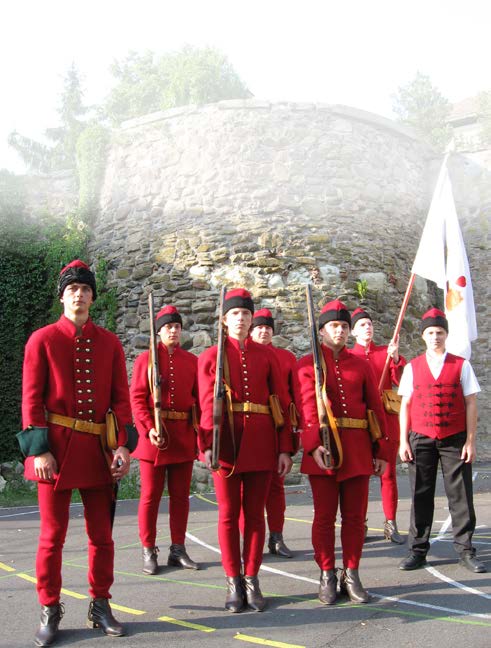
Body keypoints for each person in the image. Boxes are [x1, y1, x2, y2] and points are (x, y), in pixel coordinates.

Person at [17, 260, 134, 647]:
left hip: (99, 452)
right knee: (52, 537)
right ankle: (50, 608)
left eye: (85, 289)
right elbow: (31, 400)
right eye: (73, 289)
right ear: (63, 296)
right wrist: (40, 451)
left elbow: (121, 399)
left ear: (92, 297)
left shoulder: (110, 342)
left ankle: (101, 605)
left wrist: (123, 446)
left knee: (102, 538)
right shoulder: (42, 339)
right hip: (57, 453)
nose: (79, 295)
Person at [198, 289, 293, 613]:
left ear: (252, 319)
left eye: (246, 314)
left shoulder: (267, 356)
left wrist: (284, 448)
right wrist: (207, 444)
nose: (241, 318)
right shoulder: (211, 356)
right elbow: (206, 404)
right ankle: (232, 580)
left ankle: (252, 579)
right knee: (227, 515)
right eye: (235, 313)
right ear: (225, 320)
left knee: (255, 516)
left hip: (262, 443)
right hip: (227, 444)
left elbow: (279, 403)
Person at [297, 299, 388, 605]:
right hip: (324, 448)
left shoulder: (361, 364)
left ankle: (352, 572)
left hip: (359, 448)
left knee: (354, 518)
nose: (340, 330)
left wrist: (381, 450)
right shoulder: (307, 364)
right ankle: (326, 573)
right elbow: (307, 408)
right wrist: (313, 444)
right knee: (324, 517)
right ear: (322, 330)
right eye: (334, 325)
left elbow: (375, 409)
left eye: (344, 326)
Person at [398, 308, 486, 573]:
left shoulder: (461, 364)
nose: (435, 337)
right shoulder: (412, 366)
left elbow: (471, 403)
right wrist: (403, 441)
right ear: (423, 336)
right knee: (419, 495)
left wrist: (470, 441)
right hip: (421, 437)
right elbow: (405, 405)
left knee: (460, 496)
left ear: (446, 335)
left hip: (454, 438)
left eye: (439, 332)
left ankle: (466, 551)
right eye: (430, 333)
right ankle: (417, 551)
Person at [130, 305, 199, 574]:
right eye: (168, 327)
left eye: (177, 327)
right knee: (150, 496)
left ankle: (178, 549)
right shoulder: (144, 360)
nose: (173, 330)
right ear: (159, 331)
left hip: (182, 434)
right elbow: (137, 399)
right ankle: (149, 549)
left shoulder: (191, 361)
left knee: (181, 497)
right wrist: (148, 427)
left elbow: (199, 401)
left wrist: (199, 435)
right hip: (154, 437)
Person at [350, 307, 406, 544]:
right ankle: (359, 524)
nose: (368, 327)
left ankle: (390, 523)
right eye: (362, 325)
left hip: (386, 420)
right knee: (361, 476)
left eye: (369, 323)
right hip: (361, 422)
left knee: (388, 475)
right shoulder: (349, 357)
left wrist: (394, 358)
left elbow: (400, 381)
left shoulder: (385, 352)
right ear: (353, 332)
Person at [250, 308, 299, 558]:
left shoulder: (286, 358)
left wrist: (294, 428)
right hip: (253, 428)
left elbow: (294, 394)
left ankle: (276, 537)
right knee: (249, 489)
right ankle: (249, 540)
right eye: (259, 327)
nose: (264, 330)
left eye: (268, 327)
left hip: (278, 425)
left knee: (276, 487)